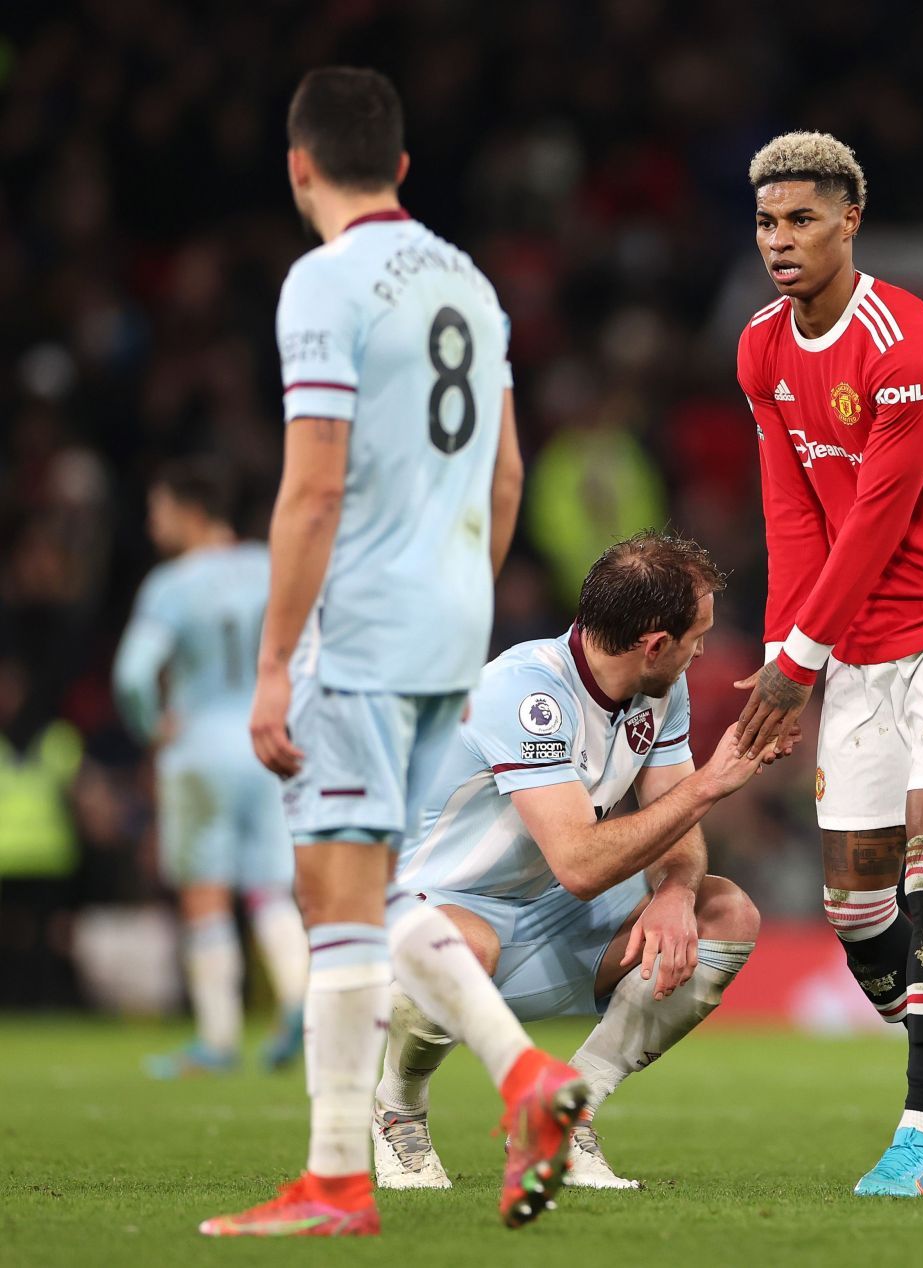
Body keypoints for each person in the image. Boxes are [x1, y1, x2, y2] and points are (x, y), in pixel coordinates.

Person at [201, 67, 575, 1238]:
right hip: (449, 625)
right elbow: (508, 473)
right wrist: (463, 605)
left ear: (299, 163)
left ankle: (337, 1181)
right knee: (364, 888)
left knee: (340, 896)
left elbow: (312, 488)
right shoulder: (468, 279)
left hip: (357, 626)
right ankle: (522, 1078)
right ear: (404, 168)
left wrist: (272, 663)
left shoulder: (325, 280)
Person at [732, 131, 923, 1198]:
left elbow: (875, 518)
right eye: (767, 221)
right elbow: (793, 512)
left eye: (802, 219)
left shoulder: (909, 344)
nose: (780, 240)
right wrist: (783, 651)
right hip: (852, 640)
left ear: (851, 220)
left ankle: (918, 1128)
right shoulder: (761, 347)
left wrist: (794, 666)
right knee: (856, 905)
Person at [372, 532, 773, 1192]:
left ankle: (563, 1113)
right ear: (654, 644)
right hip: (424, 924)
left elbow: (673, 826)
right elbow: (581, 865)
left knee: (725, 912)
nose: (702, 648)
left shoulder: (659, 691)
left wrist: (676, 888)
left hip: (543, 925)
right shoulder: (525, 696)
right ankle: (397, 1110)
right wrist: (709, 785)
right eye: (696, 635)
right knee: (460, 945)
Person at [113, 459, 307, 1079]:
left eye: (159, 508)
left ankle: (217, 1040)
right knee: (270, 888)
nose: (152, 523)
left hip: (198, 748)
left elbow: (132, 676)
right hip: (267, 744)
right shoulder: (270, 568)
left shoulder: (171, 586)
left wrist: (151, 727)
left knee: (205, 894)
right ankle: (301, 999)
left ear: (190, 511)